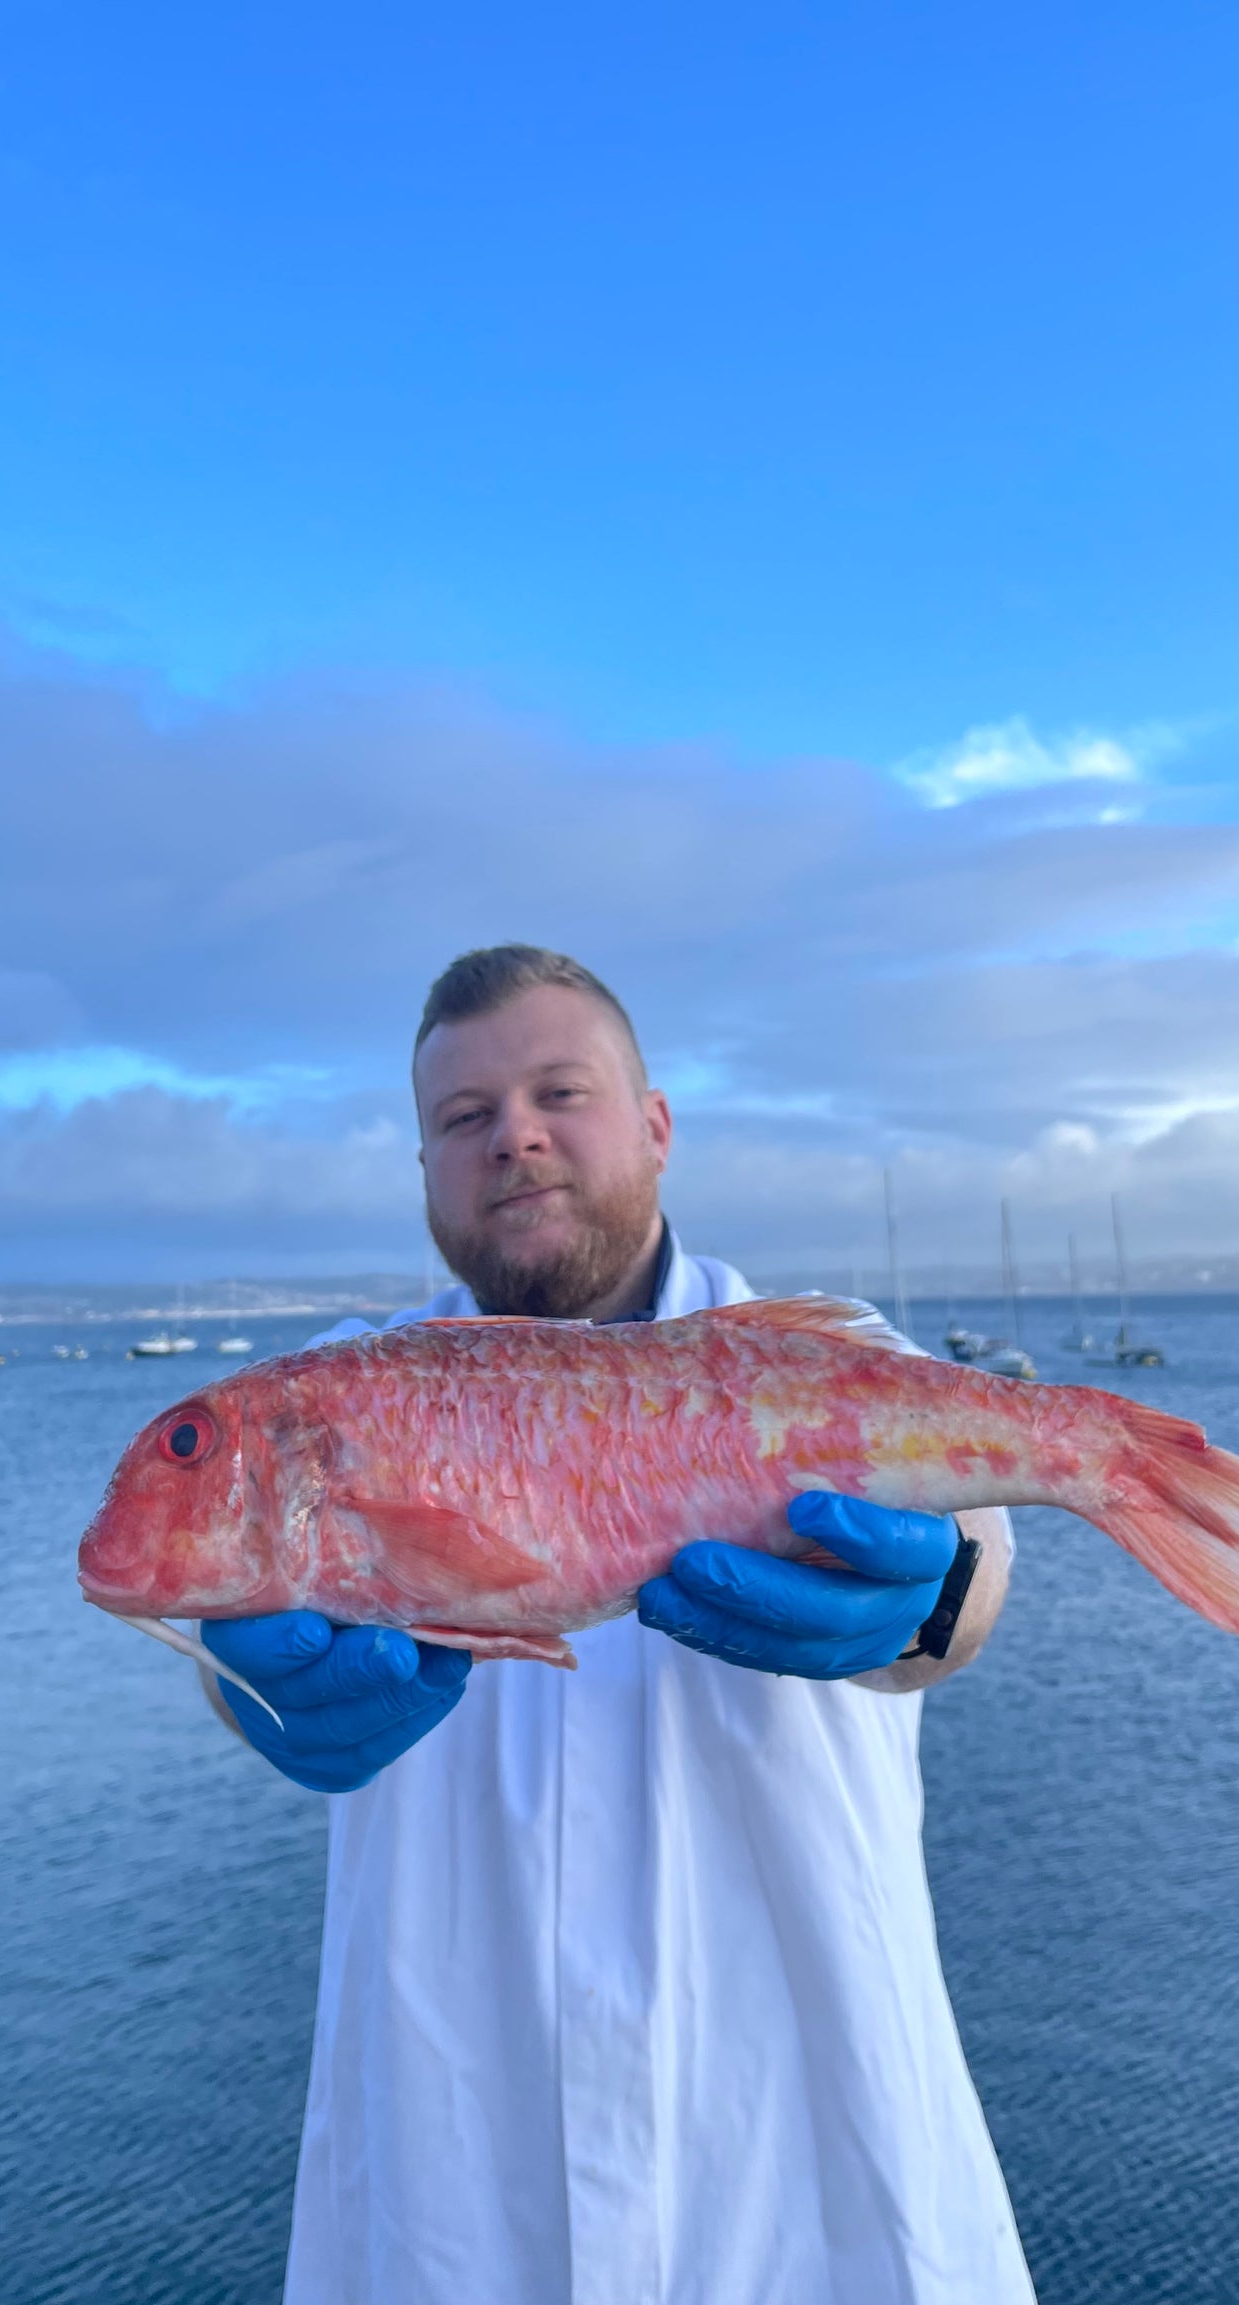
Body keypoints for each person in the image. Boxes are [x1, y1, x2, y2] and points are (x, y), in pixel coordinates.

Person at [201, 944, 1036, 2305]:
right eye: (463, 1118)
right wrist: (254, 1691)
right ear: (424, 1172)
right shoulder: (339, 1402)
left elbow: (978, 1556)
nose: (513, 1135)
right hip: (456, 2204)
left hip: (808, 2190)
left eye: (558, 1092)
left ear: (653, 1125)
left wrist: (932, 1587)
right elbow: (239, 1624)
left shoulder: (817, 1354)